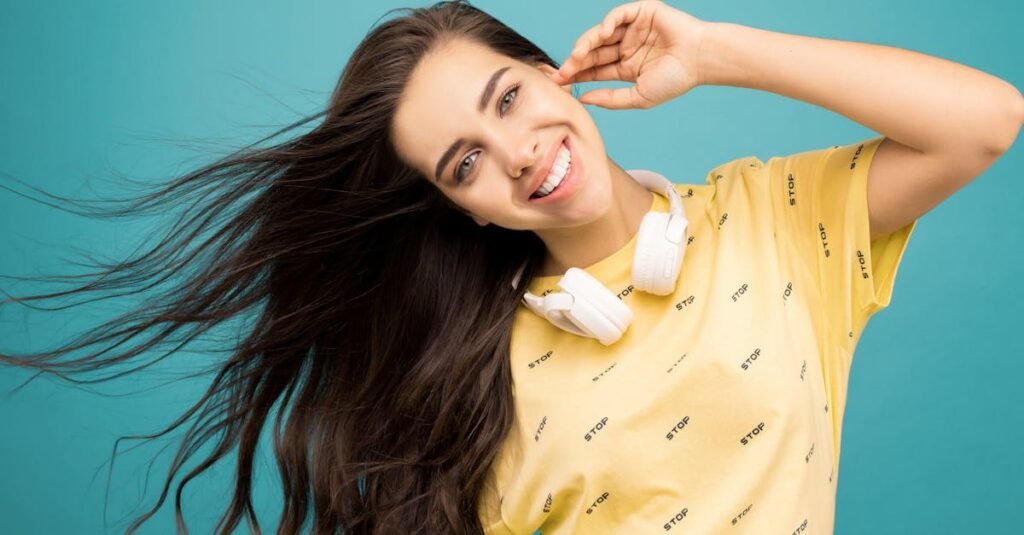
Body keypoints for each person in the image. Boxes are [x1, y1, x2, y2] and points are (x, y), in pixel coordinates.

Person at [1, 0, 1020, 533]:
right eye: (464, 163)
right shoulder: (475, 384)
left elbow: (985, 121)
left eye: (505, 100)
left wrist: (714, 49)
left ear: (551, 70)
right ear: (463, 212)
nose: (519, 150)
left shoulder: (774, 219)